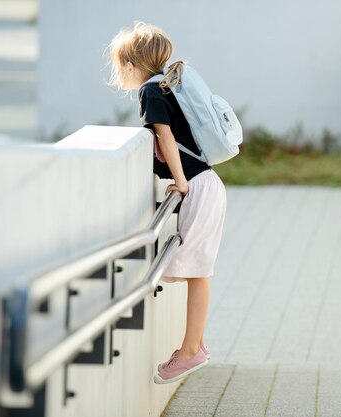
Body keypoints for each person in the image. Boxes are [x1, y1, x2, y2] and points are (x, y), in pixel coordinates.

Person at [107, 22, 227, 384]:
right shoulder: (166, 86)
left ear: (130, 64)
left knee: (196, 272)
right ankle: (195, 347)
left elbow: (165, 134)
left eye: (120, 67)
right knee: (192, 269)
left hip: (198, 186)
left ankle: (191, 352)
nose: (119, 74)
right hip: (207, 186)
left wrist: (179, 180)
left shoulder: (150, 92)